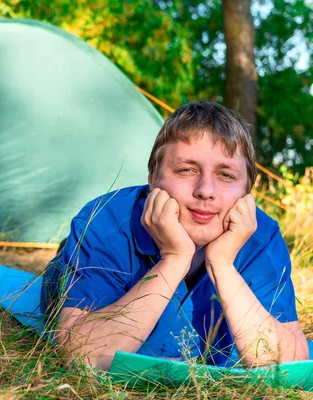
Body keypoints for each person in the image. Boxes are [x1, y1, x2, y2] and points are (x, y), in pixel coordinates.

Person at [41, 101, 309, 370]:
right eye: (186, 170)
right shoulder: (105, 222)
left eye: (226, 175)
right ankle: (66, 251)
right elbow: (82, 356)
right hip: (75, 271)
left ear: (247, 192)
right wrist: (175, 259)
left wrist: (222, 265)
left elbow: (291, 365)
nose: (206, 190)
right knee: (62, 273)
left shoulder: (262, 238)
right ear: (153, 178)